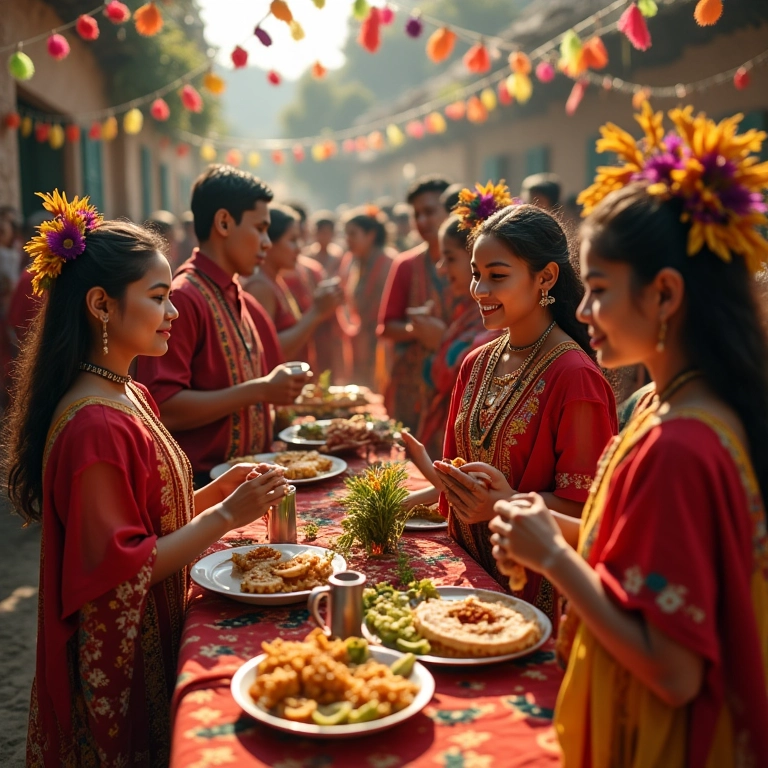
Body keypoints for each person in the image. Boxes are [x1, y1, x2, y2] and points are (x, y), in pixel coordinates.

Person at [490, 105, 768, 766]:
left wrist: (555, 562)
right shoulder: (667, 405)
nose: (583, 312)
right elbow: (640, 564)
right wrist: (547, 531)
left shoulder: (680, 443)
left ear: (666, 295)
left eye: (602, 290)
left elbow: (674, 673)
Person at [7, 193, 288, 766]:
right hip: (126, 655)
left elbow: (149, 515)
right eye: (158, 298)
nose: (175, 312)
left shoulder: (125, 390)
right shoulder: (94, 425)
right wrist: (227, 517)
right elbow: (123, 566)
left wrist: (219, 491)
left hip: (157, 626)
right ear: (102, 306)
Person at [403, 181, 617, 620]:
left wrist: (502, 502)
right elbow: (461, 482)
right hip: (466, 581)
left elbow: (588, 512)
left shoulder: (574, 377)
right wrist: (401, 498)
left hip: (533, 598)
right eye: (478, 274)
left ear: (545, 277)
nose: (480, 290)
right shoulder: (476, 363)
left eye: (497, 276)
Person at [135, 165, 307, 487]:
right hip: (203, 489)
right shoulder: (184, 298)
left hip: (246, 483)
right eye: (260, 228)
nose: (267, 243)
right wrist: (260, 390)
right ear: (224, 223)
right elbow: (163, 408)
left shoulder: (235, 293)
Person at [417, 216, 500, 457]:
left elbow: (457, 377)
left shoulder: (496, 324)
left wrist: (439, 342)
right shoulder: (466, 312)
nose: (441, 268)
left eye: (450, 258)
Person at [378, 175, 453, 431]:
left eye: (430, 212)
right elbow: (386, 327)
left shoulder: (473, 263)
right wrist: (418, 331)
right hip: (411, 386)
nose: (422, 221)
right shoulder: (406, 265)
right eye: (416, 214)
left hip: (457, 383)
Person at [244, 204, 343, 366]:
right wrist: (316, 312)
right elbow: (266, 351)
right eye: (292, 240)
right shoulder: (260, 286)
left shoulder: (275, 279)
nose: (299, 248)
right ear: (268, 243)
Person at [336, 208, 395, 391]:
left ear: (371, 235)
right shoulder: (351, 261)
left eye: (353, 234)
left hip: (382, 340)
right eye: (346, 234)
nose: (347, 240)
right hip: (358, 338)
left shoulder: (388, 263)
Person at [305, 209, 344, 277]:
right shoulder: (308, 254)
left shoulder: (337, 255)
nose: (324, 237)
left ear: (333, 234)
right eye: (321, 233)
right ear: (315, 233)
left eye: (327, 233)